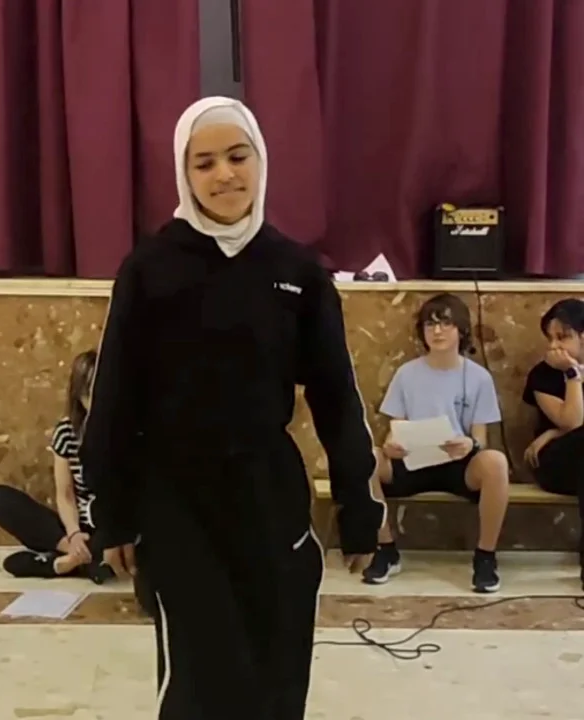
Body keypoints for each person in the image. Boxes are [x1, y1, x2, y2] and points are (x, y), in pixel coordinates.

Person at [80, 96, 385, 719]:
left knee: (276, 678)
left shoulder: (298, 272)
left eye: (237, 156)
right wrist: (111, 517)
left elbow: (335, 396)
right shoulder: (150, 269)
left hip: (269, 501)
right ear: (183, 174)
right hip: (177, 507)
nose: (224, 174)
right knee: (203, 683)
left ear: (261, 161)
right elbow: (115, 396)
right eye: (205, 163)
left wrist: (359, 508)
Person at [362, 293, 510, 593]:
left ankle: (485, 557)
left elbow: (480, 438)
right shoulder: (407, 373)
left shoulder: (478, 377)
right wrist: (391, 446)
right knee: (367, 458)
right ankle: (385, 549)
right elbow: (394, 430)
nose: (437, 331)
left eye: (445, 324)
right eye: (430, 325)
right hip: (412, 460)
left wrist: (469, 445)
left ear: (461, 330)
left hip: (457, 463)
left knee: (496, 462)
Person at [0, 350, 113, 584]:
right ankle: (81, 557)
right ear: (78, 396)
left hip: (114, 529)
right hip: (79, 527)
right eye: (89, 394)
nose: (97, 403)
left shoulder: (128, 432)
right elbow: (65, 494)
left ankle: (60, 564)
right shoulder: (67, 432)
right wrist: (73, 535)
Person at [522, 298, 584, 590]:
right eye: (551, 339)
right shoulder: (543, 374)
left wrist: (553, 432)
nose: (555, 346)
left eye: (563, 337)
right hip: (553, 462)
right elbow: (572, 421)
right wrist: (572, 375)